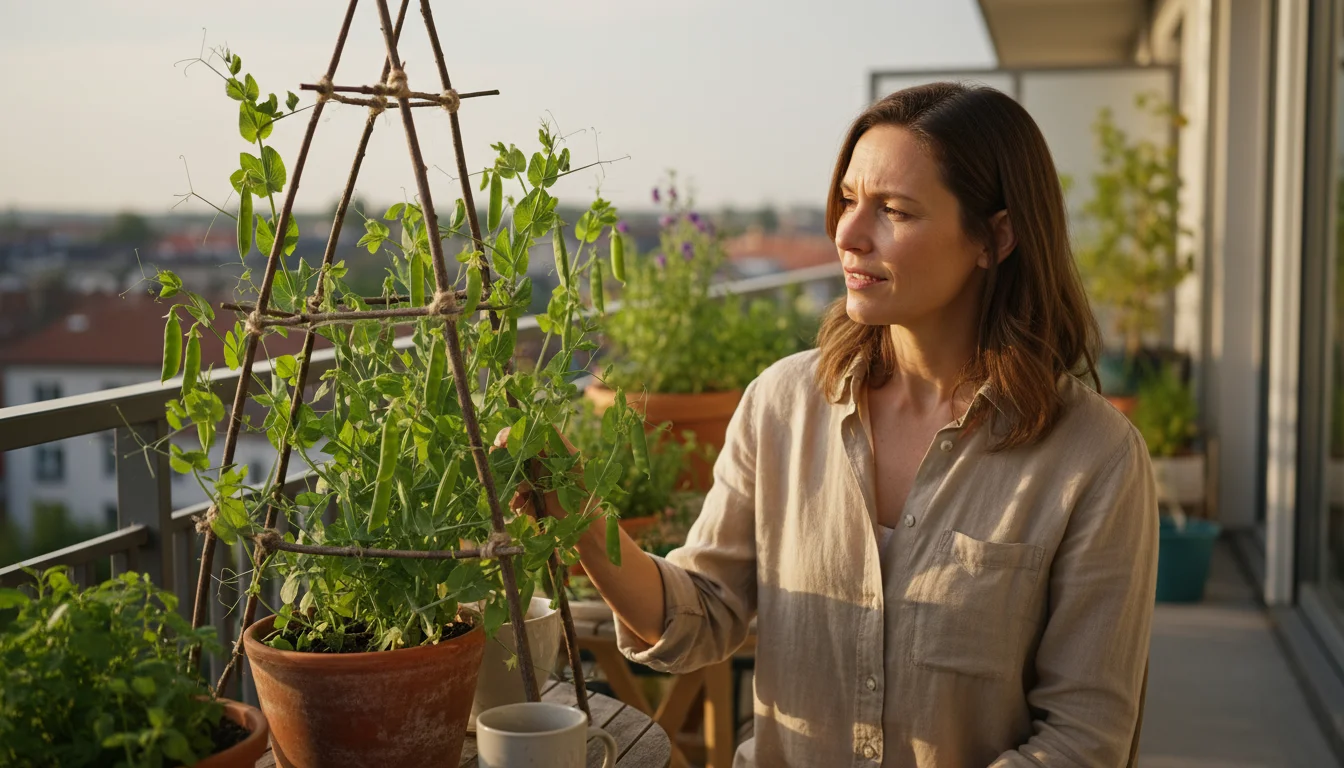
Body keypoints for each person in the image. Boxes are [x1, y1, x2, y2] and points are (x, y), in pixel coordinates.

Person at [527, 82, 1158, 767]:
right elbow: (699, 619)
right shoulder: (781, 404)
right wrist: (581, 514)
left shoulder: (1094, 459)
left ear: (995, 237)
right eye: (849, 201)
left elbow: (1084, 739)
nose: (848, 235)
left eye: (894, 210)